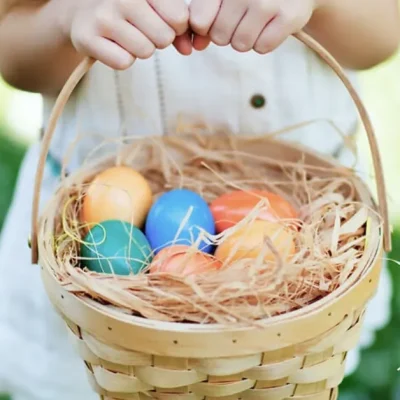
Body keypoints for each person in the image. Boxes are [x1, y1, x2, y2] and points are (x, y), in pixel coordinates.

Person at [0, 0, 398, 399]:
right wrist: (67, 19)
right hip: (97, 308)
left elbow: (384, 28)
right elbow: (11, 42)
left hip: (309, 250)